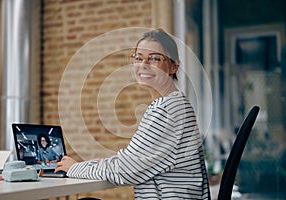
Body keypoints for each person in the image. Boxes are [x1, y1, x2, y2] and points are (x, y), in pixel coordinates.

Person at [55, 29, 210, 199]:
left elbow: (126, 170)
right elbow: (132, 160)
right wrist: (91, 164)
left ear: (174, 66)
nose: (143, 64)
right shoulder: (174, 104)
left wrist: (75, 169)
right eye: (138, 58)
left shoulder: (167, 110)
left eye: (155, 58)